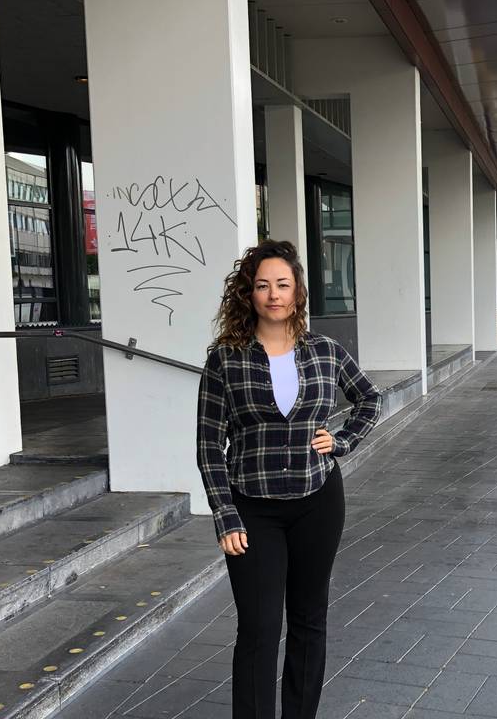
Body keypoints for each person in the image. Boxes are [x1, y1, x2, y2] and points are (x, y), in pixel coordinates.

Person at [197, 240, 382, 719]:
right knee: (258, 628)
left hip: (317, 502)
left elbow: (369, 399)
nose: (273, 294)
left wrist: (341, 442)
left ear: (298, 292)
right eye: (262, 285)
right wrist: (225, 513)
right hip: (252, 508)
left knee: (308, 620)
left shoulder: (325, 351)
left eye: (282, 284)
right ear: (248, 294)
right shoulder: (225, 358)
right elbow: (207, 444)